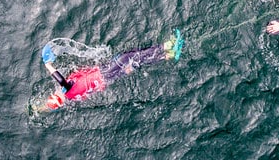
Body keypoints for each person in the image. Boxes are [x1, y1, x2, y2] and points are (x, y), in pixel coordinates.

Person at [38, 30, 184, 111]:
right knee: (130, 56)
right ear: (58, 98)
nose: (55, 92)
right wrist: (49, 66)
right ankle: (167, 46)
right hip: (104, 73)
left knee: (135, 61)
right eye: (54, 95)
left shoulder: (71, 97)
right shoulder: (67, 90)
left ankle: (168, 55)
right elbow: (61, 80)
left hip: (106, 78)